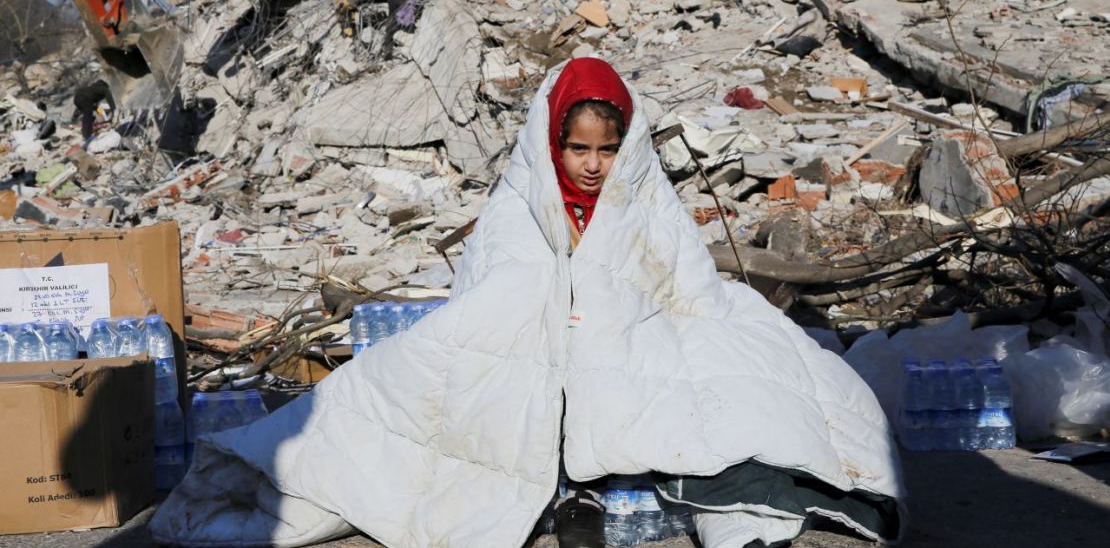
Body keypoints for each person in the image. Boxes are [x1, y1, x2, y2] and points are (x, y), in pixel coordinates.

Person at [151, 59, 906, 548]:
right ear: (552, 145)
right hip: (538, 339)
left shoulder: (642, 195)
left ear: (627, 149)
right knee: (408, 392)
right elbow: (496, 284)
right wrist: (548, 303)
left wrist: (623, 308)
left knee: (745, 376)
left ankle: (615, 487)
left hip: (621, 342)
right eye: (577, 150)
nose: (591, 165)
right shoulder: (522, 197)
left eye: (607, 151)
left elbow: (680, 281)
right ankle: (567, 489)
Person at [72, 79, 113, 144]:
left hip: (78, 100)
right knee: (88, 115)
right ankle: (86, 136)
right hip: (83, 100)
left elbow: (96, 107)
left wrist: (103, 117)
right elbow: (98, 108)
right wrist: (107, 116)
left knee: (88, 114)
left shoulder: (93, 89)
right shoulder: (100, 90)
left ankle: (85, 132)